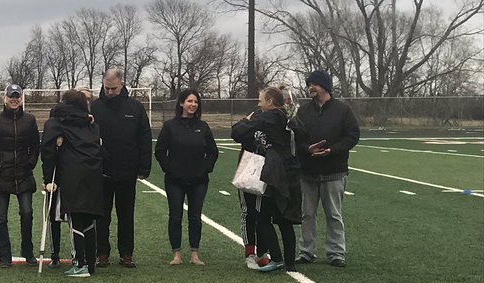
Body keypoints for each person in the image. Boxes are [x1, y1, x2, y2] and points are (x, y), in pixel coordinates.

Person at [292, 69, 360, 267]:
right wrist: (307, 149)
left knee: (334, 214)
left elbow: (352, 135)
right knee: (307, 214)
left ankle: (336, 252)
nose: (310, 87)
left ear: (325, 86)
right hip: (308, 171)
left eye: (314, 83)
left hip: (334, 170)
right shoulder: (303, 111)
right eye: (309, 84)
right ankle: (306, 251)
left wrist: (332, 150)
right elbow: (297, 138)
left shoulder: (342, 110)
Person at [231, 86, 301, 272]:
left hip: (274, 173)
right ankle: (290, 263)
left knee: (263, 218)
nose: (259, 103)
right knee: (285, 219)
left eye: (261, 100)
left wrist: (244, 121)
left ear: (270, 102)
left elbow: (237, 132)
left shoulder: (269, 117)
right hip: (291, 173)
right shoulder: (290, 118)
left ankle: (276, 258)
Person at [90, 68, 151, 268]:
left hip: (127, 170)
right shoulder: (95, 107)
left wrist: (144, 166)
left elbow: (144, 138)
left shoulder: (135, 107)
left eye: (114, 88)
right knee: (102, 215)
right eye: (107, 88)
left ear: (122, 85)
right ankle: (102, 253)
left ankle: (126, 253)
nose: (110, 92)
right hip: (101, 171)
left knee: (126, 215)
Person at [40, 90, 104, 277]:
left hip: (72, 174)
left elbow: (47, 151)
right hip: (93, 174)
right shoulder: (91, 124)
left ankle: (80, 264)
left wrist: (47, 179)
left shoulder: (56, 123)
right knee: (89, 218)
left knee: (75, 216)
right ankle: (90, 263)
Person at [154, 88, 218, 266]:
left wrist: (205, 169)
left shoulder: (203, 127)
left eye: (196, 102)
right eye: (189, 101)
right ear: (181, 103)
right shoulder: (170, 126)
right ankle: (176, 254)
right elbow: (159, 151)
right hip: (175, 181)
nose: (193, 105)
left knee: (195, 217)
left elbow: (213, 152)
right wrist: (170, 169)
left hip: (199, 181)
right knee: (175, 217)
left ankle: (194, 254)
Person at [0, 84, 40, 267]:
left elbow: (35, 146)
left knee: (27, 213)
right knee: (1, 217)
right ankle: (4, 257)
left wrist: (30, 162)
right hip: (1, 176)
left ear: (21, 98)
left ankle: (28, 251)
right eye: (11, 96)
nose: (14, 99)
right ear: (5, 98)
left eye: (17, 96)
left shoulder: (30, 120)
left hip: (24, 175)